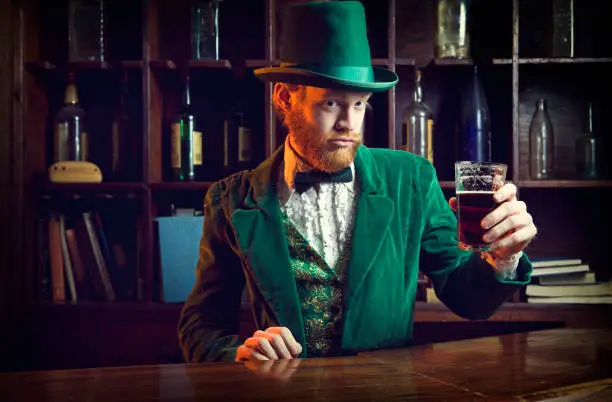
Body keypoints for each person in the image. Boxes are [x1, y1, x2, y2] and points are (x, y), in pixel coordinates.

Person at [178, 1, 537, 363]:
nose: (350, 123)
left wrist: (503, 258)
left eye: (360, 104)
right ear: (285, 97)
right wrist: (239, 355)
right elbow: (200, 326)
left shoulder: (411, 179)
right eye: (331, 104)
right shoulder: (230, 200)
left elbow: (468, 299)